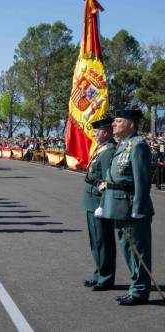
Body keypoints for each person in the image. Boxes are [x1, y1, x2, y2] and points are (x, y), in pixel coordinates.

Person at [97, 109, 155, 305]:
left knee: (138, 250)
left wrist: (138, 207)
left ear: (131, 124)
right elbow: (111, 178)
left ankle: (139, 290)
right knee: (128, 250)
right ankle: (136, 287)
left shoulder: (138, 146)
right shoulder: (124, 144)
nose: (113, 124)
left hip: (131, 208)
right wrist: (105, 204)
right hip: (118, 206)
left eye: (118, 121)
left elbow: (142, 181)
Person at [81, 116, 117, 291]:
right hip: (91, 200)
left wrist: (103, 204)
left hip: (98, 201)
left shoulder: (109, 151)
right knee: (95, 241)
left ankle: (106, 278)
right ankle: (99, 275)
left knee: (104, 241)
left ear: (105, 132)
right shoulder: (102, 149)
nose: (94, 135)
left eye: (96, 132)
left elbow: (107, 180)